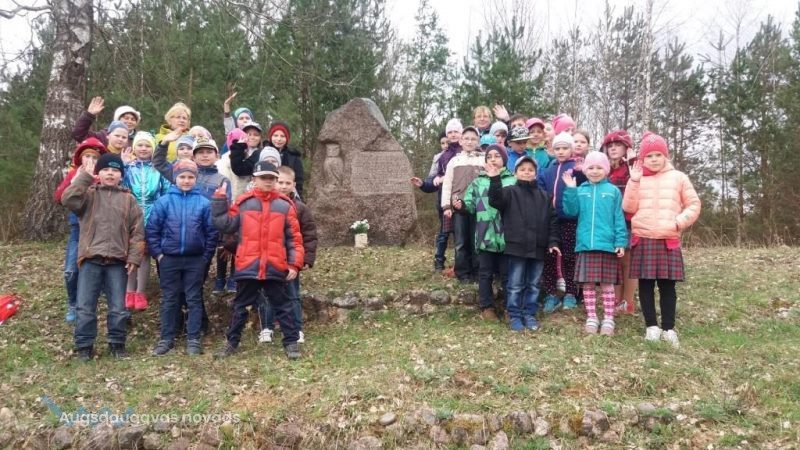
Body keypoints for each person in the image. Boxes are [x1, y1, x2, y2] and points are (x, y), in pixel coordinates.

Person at [211, 161, 305, 360]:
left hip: (274, 266)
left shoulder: (285, 205)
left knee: (283, 306)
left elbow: (294, 239)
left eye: (272, 178)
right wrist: (219, 201)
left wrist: (294, 264)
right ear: (254, 179)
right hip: (249, 265)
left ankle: (291, 343)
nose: (268, 181)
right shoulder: (243, 203)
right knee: (240, 307)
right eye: (263, 178)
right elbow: (225, 225)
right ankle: (231, 342)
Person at [61, 153, 144, 361]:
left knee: (117, 307)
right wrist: (84, 178)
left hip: (117, 261)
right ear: (99, 173)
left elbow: (137, 232)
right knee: (85, 305)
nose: (110, 174)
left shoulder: (129, 199)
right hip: (90, 259)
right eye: (106, 170)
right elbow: (67, 199)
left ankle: (117, 344)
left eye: (115, 170)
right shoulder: (88, 195)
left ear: (121, 175)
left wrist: (134, 258)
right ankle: (84, 346)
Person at [623, 132, 701, 348]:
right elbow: (628, 207)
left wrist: (678, 222)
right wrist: (634, 181)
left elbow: (694, 204)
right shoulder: (637, 178)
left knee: (667, 287)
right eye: (649, 156)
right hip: (643, 237)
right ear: (642, 158)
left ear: (666, 156)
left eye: (658, 155)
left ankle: (668, 328)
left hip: (668, 238)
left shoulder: (679, 177)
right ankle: (651, 327)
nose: (654, 159)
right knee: (645, 285)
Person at [147, 160, 218, 356]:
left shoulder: (204, 203)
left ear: (196, 179)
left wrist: (205, 257)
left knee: (194, 298)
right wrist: (159, 254)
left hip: (195, 259)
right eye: (182, 177)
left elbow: (211, 232)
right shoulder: (163, 202)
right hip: (169, 258)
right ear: (175, 178)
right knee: (169, 298)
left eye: (190, 177)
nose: (186, 181)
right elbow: (152, 230)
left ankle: (193, 338)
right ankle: (166, 338)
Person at [487, 156, 560, 331]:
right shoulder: (509, 192)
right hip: (516, 247)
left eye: (530, 170)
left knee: (534, 284)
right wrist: (495, 179)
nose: (526, 172)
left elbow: (552, 221)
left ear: (535, 173)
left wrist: (553, 241)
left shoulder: (544, 196)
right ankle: (514, 315)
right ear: (515, 173)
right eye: (522, 169)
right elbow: (494, 200)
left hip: (538, 247)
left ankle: (529, 314)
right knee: (515, 284)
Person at [562, 152, 628, 335]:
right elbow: (570, 211)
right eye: (591, 167)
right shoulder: (580, 190)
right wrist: (571, 190)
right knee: (588, 284)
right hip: (585, 245)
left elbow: (618, 218)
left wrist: (620, 241)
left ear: (606, 170)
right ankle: (592, 317)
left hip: (606, 245)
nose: (595, 171)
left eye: (599, 167)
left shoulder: (613, 191)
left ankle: (608, 318)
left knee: (607, 284)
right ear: (585, 170)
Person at [259, 165, 318, 344]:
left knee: (293, 295)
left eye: (287, 183)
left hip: (292, 258)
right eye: (280, 182)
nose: (283, 186)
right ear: (273, 182)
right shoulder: (264, 205)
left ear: (294, 185)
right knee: (267, 294)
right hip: (269, 258)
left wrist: (306, 259)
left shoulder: (301, 208)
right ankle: (267, 328)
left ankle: (296, 329)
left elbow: (309, 235)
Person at [54, 138, 108, 322]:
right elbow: (59, 197)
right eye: (87, 156)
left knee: (98, 266)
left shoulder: (104, 175)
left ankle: (95, 299)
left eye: (94, 157)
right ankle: (73, 303)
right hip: (78, 229)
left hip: (99, 228)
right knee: (71, 270)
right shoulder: (74, 174)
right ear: (80, 158)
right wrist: (79, 180)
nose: (90, 160)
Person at [461, 144, 515, 320]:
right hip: (485, 235)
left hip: (507, 236)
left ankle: (509, 308)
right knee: (485, 274)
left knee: (507, 275)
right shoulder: (478, 182)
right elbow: (469, 205)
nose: (493, 159)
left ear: (504, 159)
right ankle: (487, 307)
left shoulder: (513, 181)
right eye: (489, 156)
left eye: (497, 156)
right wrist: (460, 206)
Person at [538, 132, 585, 313]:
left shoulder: (576, 168)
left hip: (570, 220)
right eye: (557, 148)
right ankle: (551, 293)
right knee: (550, 256)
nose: (561, 151)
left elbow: (582, 188)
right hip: (551, 220)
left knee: (570, 257)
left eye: (565, 148)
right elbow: (541, 189)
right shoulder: (549, 169)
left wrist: (580, 173)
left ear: (571, 149)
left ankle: (571, 293)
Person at [123, 131, 170, 311]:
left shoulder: (158, 169)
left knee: (144, 255)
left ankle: (140, 291)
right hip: (131, 216)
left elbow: (165, 193)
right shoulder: (129, 168)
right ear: (134, 148)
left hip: (153, 216)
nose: (143, 149)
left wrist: (162, 215)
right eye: (140, 145)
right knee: (131, 253)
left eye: (148, 145)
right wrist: (124, 165)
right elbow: (122, 189)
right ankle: (129, 290)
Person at [441, 126, 485, 283]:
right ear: (461, 141)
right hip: (458, 206)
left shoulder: (483, 159)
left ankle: (477, 272)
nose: (469, 141)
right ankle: (462, 274)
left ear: (478, 141)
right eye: (466, 138)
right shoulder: (454, 161)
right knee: (460, 242)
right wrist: (446, 206)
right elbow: (447, 184)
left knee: (477, 241)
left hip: (478, 206)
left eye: (473, 139)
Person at [602, 129, 638, 314]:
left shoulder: (632, 167)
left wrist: (632, 162)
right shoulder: (605, 169)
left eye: (618, 145)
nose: (613, 149)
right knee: (615, 262)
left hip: (628, 221)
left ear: (626, 148)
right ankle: (616, 300)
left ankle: (628, 301)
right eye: (610, 146)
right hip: (609, 222)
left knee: (628, 262)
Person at [410, 131, 451, 272]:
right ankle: (439, 261)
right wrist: (422, 184)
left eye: (447, 142)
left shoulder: (460, 155)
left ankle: (462, 264)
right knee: (443, 233)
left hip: (460, 200)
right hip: (443, 202)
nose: (445, 145)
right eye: (442, 143)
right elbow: (432, 183)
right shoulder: (438, 159)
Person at [72, 96, 140, 148]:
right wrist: (89, 115)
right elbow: (79, 135)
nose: (129, 121)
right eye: (126, 118)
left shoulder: (140, 139)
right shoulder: (103, 136)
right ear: (117, 120)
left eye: (133, 119)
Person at [265, 121, 305, 197]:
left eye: (282, 136)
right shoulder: (263, 153)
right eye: (275, 135)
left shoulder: (293, 156)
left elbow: (299, 180)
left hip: (287, 195)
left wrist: (297, 196)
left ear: (287, 138)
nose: (279, 139)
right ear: (270, 137)